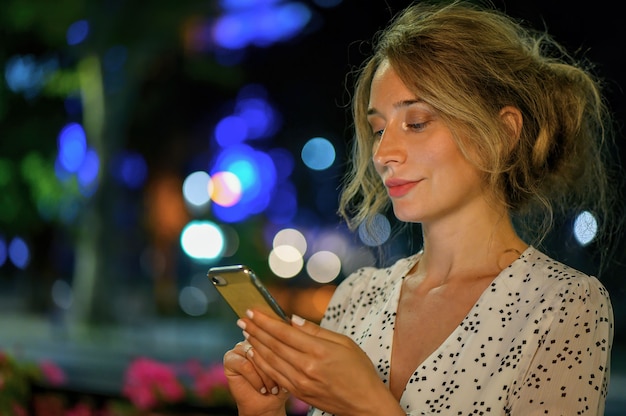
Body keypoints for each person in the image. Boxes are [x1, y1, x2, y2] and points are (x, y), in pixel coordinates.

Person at [222, 0, 619, 414]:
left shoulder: (564, 305)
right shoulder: (358, 297)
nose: (383, 154)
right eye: (378, 129)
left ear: (502, 133)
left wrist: (369, 404)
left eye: (416, 122)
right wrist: (264, 412)